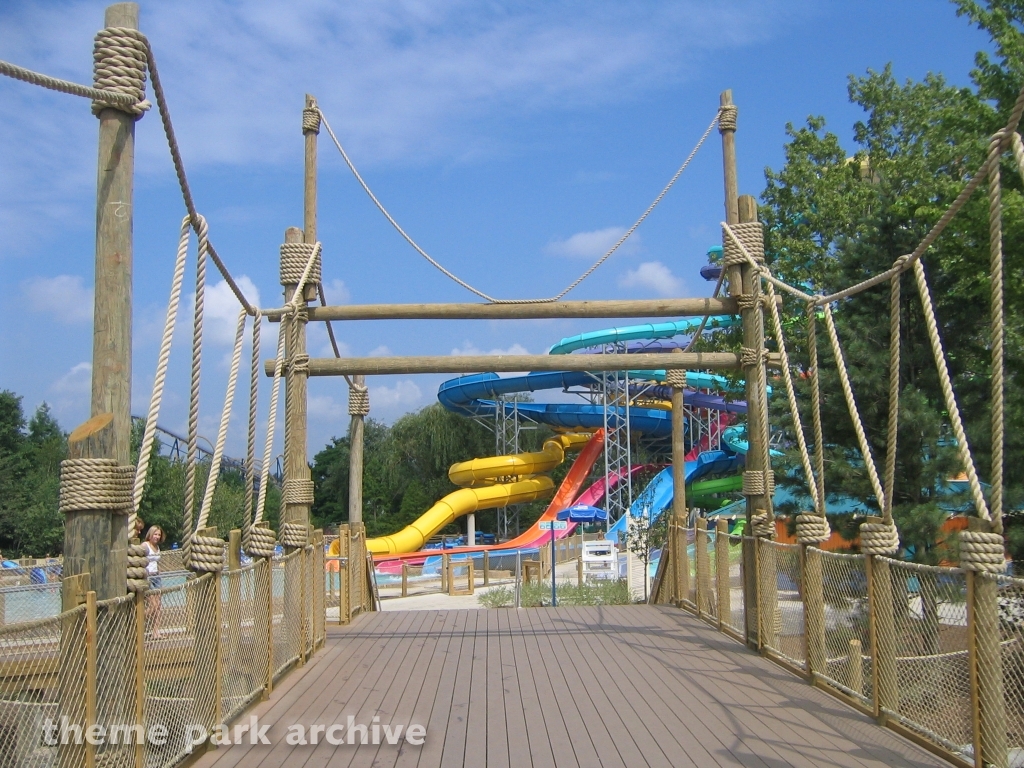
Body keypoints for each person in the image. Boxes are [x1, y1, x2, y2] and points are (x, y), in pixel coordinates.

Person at [142, 525, 164, 638]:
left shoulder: (157, 547)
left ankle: (156, 632)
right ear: (150, 534)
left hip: (156, 577)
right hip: (148, 577)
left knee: (159, 606)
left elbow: (156, 563)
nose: (157, 537)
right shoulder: (145, 545)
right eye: (155, 534)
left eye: (159, 535)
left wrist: (159, 572)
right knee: (153, 606)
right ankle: (137, 622)